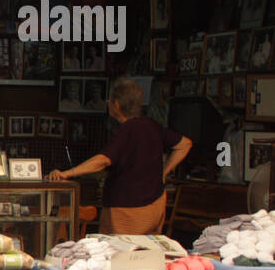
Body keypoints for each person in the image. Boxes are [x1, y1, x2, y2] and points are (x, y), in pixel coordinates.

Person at [46, 77, 192, 233]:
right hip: (156, 204)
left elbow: (103, 160)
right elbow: (185, 144)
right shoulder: (152, 125)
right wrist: (164, 172)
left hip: (128, 210)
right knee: (147, 253)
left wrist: (68, 173)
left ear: (116, 105)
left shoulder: (126, 130)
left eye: (109, 100)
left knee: (121, 253)